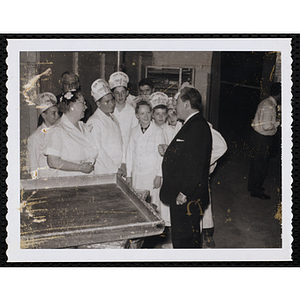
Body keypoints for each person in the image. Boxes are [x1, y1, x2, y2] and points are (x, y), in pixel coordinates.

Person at [160, 86, 212, 248]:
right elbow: (186, 155)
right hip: (184, 194)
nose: (175, 106)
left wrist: (184, 193)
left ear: (187, 104)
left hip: (187, 197)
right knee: (186, 236)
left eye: (177, 102)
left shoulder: (197, 127)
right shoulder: (192, 124)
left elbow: (195, 165)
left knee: (185, 239)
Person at [44, 90, 98, 177]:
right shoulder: (58, 130)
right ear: (72, 106)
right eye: (83, 103)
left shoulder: (85, 128)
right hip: (68, 183)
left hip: (87, 181)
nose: (86, 107)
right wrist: (79, 167)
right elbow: (52, 161)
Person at [126, 100, 166, 209]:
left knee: (152, 205)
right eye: (142, 113)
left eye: (148, 113)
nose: (146, 116)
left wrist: (159, 175)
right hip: (137, 175)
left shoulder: (158, 131)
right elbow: (129, 154)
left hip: (151, 175)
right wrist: (129, 175)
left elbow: (161, 156)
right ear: (137, 115)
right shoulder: (133, 131)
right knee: (138, 204)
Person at [247, 82, 281, 199]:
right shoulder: (269, 106)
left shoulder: (267, 102)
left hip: (258, 137)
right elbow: (267, 126)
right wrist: (277, 124)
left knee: (256, 164)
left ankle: (252, 186)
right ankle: (256, 191)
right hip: (262, 139)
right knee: (260, 165)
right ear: (279, 94)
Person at [87, 79, 126, 176]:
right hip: (104, 170)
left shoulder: (112, 117)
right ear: (98, 104)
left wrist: (123, 164)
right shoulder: (94, 121)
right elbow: (97, 151)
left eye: (112, 100)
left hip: (118, 169)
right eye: (107, 101)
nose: (112, 104)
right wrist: (115, 169)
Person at [27, 92, 60, 179]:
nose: (57, 116)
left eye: (58, 112)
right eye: (53, 113)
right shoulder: (36, 137)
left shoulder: (60, 131)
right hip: (45, 182)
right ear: (44, 115)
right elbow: (32, 167)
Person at [108, 72, 138, 154]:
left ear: (127, 93)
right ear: (113, 94)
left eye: (123, 92)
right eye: (117, 93)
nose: (120, 96)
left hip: (127, 152)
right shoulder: (109, 111)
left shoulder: (132, 112)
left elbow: (134, 137)